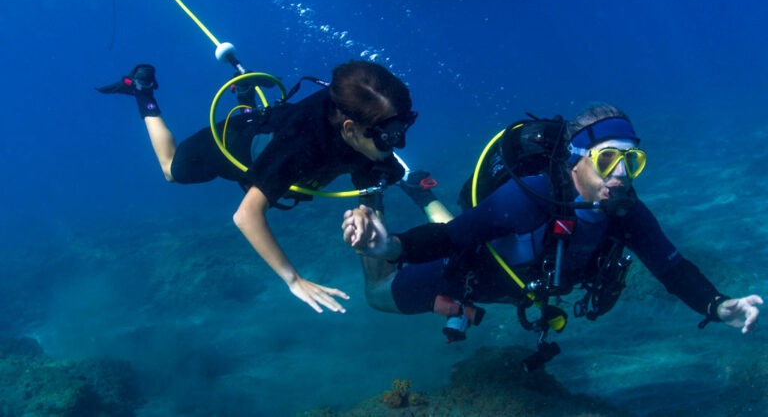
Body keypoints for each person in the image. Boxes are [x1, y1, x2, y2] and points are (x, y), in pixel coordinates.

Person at [342, 103, 762, 368]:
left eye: (631, 162)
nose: (620, 175)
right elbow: (453, 238)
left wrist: (719, 306)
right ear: (576, 163)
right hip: (478, 272)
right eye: (609, 159)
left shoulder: (626, 211)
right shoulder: (531, 197)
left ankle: (418, 192)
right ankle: (370, 191)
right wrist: (389, 245)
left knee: (457, 226)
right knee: (378, 293)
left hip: (523, 284)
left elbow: (673, 269)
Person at [97, 60, 427, 314]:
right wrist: (294, 280)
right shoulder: (300, 147)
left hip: (287, 134)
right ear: (351, 128)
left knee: (373, 176)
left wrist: (371, 220)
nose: (398, 141)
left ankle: (244, 96)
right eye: (388, 135)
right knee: (171, 169)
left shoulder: (368, 116)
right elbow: (246, 216)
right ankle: (142, 91)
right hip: (234, 143)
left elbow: (372, 189)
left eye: (404, 124)